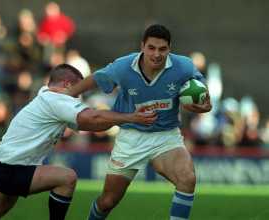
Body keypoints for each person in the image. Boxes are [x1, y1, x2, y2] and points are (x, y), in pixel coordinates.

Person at [0, 64, 157, 220]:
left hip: (0, 164)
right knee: (67, 178)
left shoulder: (47, 99)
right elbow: (92, 117)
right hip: (12, 168)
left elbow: (94, 125)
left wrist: (124, 117)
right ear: (67, 85)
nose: (78, 97)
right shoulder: (57, 100)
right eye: (78, 91)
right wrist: (131, 117)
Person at [67, 24, 212, 220]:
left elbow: (202, 91)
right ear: (142, 46)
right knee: (108, 201)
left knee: (187, 179)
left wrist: (205, 105)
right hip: (131, 136)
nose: (157, 54)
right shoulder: (123, 67)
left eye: (162, 49)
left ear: (170, 48)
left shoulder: (183, 66)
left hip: (166, 136)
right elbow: (94, 80)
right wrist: (65, 97)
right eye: (151, 47)